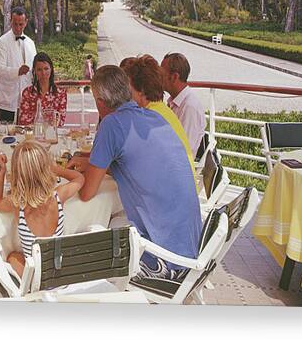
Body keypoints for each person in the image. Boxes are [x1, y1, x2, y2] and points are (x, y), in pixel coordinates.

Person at [68, 66, 201, 280]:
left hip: (163, 261)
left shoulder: (111, 124)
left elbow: (86, 193)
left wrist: (57, 171)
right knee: (114, 221)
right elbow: (135, 162)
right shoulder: (154, 117)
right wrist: (90, 163)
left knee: (80, 246)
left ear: (100, 101)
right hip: (189, 248)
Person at [0, 140, 84, 276]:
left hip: (35, 276)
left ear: (17, 173)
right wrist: (58, 169)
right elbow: (80, 179)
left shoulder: (17, 204)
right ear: (45, 169)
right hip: (58, 272)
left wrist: (2, 170)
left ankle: (28, 285)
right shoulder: (59, 196)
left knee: (12, 256)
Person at [122, 55, 198, 188]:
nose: (126, 94)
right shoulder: (162, 109)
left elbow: (132, 168)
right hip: (184, 193)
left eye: (129, 89)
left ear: (141, 91)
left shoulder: (148, 117)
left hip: (172, 199)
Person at [0, 6, 37, 123]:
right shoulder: (2, 42)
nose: (17, 27)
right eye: (15, 24)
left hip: (27, 100)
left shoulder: (30, 43)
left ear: (26, 23)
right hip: (8, 100)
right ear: (10, 22)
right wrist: (17, 71)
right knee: (7, 136)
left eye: (20, 24)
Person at [161, 52, 206, 156]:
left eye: (161, 75)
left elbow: (185, 150)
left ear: (174, 77)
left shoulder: (190, 107)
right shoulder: (175, 101)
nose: (158, 78)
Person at [18, 52, 67, 127]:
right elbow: (23, 121)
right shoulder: (27, 93)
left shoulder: (61, 93)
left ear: (51, 69)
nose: (43, 73)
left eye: (46, 68)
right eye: (39, 70)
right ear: (34, 71)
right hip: (32, 136)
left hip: (52, 135)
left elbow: (60, 122)